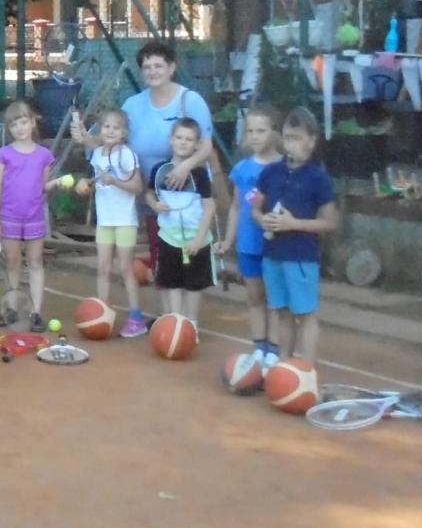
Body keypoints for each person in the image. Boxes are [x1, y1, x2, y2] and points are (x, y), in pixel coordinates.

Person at [76, 40, 214, 328]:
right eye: (147, 66)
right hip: (148, 194)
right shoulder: (133, 104)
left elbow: (206, 146)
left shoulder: (191, 101)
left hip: (185, 198)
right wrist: (84, 139)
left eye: (158, 65)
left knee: (187, 257)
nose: (152, 71)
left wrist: (185, 166)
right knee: (160, 254)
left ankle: (189, 322)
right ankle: (169, 317)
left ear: (172, 67)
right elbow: (105, 138)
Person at [253, 107, 338, 369]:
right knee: (281, 312)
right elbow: (256, 207)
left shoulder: (318, 178)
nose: (293, 144)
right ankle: (283, 366)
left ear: (312, 141)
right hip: (273, 253)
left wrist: (293, 224)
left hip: (301, 256)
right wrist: (262, 219)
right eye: (289, 137)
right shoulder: (270, 173)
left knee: (306, 314)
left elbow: (330, 222)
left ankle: (306, 372)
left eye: (299, 138)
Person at [76, 108, 147, 337]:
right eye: (106, 127)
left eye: (116, 128)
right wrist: (86, 184)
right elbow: (98, 184)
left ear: (124, 133)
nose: (110, 131)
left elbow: (137, 187)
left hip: (125, 221)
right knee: (103, 268)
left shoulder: (127, 154)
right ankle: (102, 313)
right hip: (104, 221)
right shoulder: (97, 154)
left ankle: (136, 317)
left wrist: (115, 181)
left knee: (126, 268)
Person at [0, 100, 57, 332]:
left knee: (36, 262)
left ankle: (36, 312)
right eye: (14, 123)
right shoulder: (3, 154)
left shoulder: (44, 155)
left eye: (23, 121)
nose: (19, 127)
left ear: (33, 122)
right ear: (9, 128)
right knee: (12, 262)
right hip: (9, 217)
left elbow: (43, 187)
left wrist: (56, 184)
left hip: (35, 217)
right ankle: (11, 308)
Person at [221, 104, 281, 365]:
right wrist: (229, 239)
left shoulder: (284, 167)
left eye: (262, 130)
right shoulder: (242, 169)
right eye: (251, 131)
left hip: (277, 245)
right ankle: (259, 347)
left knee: (275, 299)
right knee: (255, 297)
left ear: (275, 133)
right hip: (248, 243)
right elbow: (236, 207)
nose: (255, 136)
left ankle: (275, 350)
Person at [144, 118, 217, 328]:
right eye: (179, 137)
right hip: (169, 237)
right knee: (171, 282)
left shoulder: (200, 175)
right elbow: (149, 194)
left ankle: (191, 323)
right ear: (171, 139)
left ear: (197, 145)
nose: (183, 142)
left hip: (196, 240)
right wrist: (155, 205)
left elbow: (209, 207)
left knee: (194, 285)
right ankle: (175, 321)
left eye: (189, 139)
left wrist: (199, 239)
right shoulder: (160, 170)